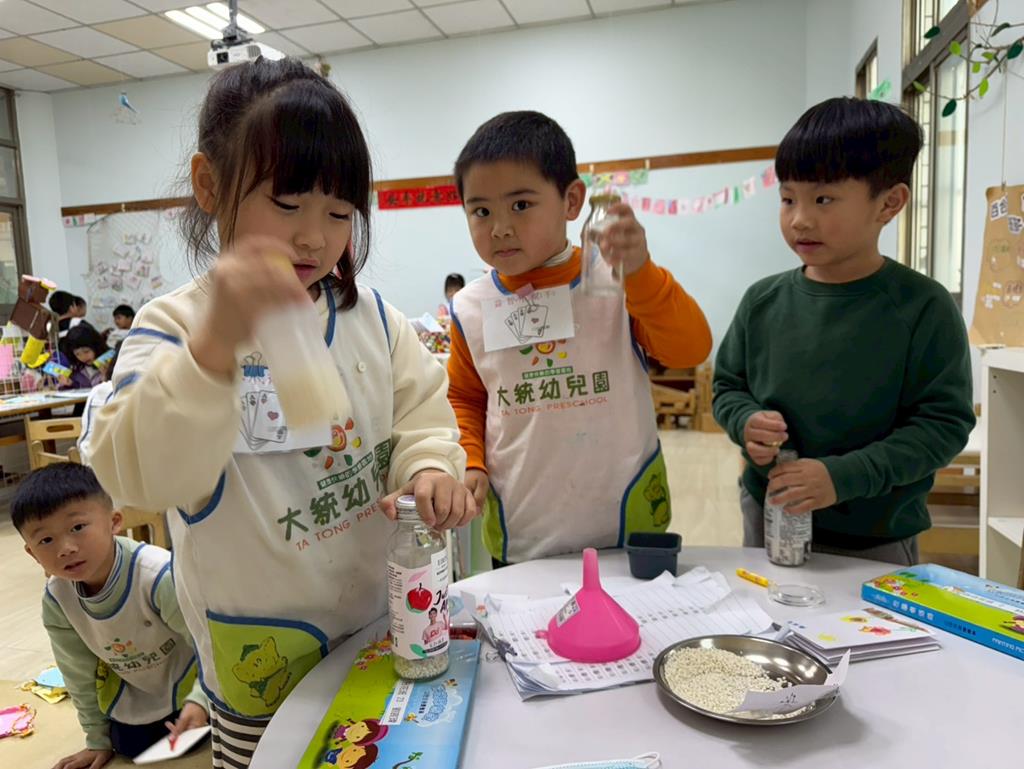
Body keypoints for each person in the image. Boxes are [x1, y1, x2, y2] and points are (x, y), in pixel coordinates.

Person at [87, 57, 473, 768]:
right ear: (210, 185)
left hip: (379, 628)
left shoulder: (368, 317)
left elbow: (421, 411)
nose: (315, 237)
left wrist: (427, 468)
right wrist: (213, 350)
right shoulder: (175, 327)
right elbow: (138, 474)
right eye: (289, 204)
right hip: (261, 659)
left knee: (383, 752)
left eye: (339, 212)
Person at [713, 97, 975, 566]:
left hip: (876, 535)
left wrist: (843, 477)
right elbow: (728, 387)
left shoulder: (923, 307)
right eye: (788, 198)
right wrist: (745, 421)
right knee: (768, 608)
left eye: (823, 199)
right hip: (770, 513)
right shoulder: (762, 301)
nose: (799, 219)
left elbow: (942, 426)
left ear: (889, 203)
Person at [448, 110, 712, 566]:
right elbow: (465, 397)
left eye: (521, 205)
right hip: (523, 524)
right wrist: (471, 458)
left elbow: (690, 349)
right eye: (481, 211)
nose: (500, 228)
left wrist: (642, 273)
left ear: (571, 201)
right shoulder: (470, 307)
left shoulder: (617, 281)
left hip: (623, 522)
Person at [13, 463, 208, 769]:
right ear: (31, 553)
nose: (65, 548)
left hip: (191, 682)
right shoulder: (57, 599)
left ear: (114, 522)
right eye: (46, 540)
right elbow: (77, 673)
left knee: (203, 729)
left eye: (78, 527)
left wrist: (202, 699)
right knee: (129, 747)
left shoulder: (157, 575)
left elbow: (208, 643)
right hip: (136, 692)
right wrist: (96, 740)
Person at [59, 324, 111, 390]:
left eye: (86, 351)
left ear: (96, 346)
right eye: (77, 354)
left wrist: (106, 376)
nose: (83, 357)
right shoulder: (77, 368)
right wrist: (71, 384)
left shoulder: (110, 362)